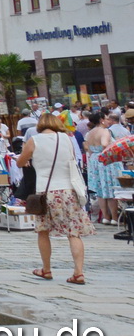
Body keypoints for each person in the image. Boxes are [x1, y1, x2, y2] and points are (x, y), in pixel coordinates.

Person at [17, 112, 91, 285]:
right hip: (68, 190)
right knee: (73, 232)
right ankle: (78, 272)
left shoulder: (34, 140)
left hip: (46, 191)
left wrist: (29, 159)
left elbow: (20, 162)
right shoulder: (67, 138)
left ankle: (46, 269)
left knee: (43, 231)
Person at [83, 112, 124, 226]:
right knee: (110, 189)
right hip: (106, 160)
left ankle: (105, 217)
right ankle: (114, 218)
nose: (108, 121)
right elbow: (104, 144)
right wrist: (113, 147)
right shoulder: (105, 131)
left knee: (100, 190)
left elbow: (88, 148)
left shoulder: (90, 133)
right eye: (106, 119)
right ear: (101, 120)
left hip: (95, 160)